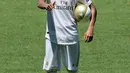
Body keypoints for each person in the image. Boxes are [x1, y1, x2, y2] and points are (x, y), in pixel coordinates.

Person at [37, 0, 97, 73]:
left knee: (72, 70)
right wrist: (46, 6)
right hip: (52, 36)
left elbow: (93, 9)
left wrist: (91, 28)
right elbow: (40, 3)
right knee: (50, 69)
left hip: (71, 36)